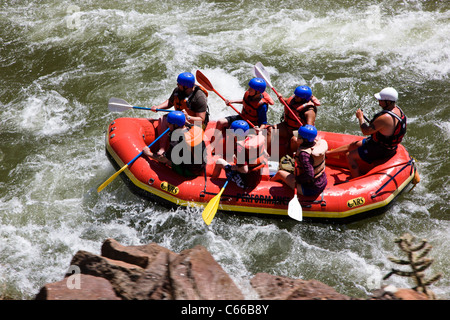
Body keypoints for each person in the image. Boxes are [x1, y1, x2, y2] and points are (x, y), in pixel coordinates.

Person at [326, 87, 407, 178]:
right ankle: (327, 154)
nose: (379, 102)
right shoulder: (398, 110)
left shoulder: (385, 118)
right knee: (354, 144)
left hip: (381, 149)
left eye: (381, 100)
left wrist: (360, 117)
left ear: (388, 102)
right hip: (383, 144)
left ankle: (355, 179)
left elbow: (365, 131)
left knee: (350, 156)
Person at [150, 72, 209, 156]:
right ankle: (162, 148)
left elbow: (201, 120)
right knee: (163, 119)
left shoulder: (199, 97)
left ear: (186, 86)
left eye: (179, 84)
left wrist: (187, 117)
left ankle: (176, 155)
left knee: (180, 133)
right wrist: (158, 107)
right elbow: (169, 103)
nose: (177, 84)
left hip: (193, 122)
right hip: (180, 118)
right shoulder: (178, 90)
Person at [143, 111, 206, 177]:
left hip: (190, 171)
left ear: (175, 125)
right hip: (201, 166)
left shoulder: (176, 142)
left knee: (167, 161)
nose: (168, 125)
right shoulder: (193, 128)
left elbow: (163, 158)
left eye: (169, 124)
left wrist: (149, 153)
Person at [271, 125, 328, 197]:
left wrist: (297, 180)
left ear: (305, 140)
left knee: (280, 173)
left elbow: (309, 175)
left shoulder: (304, 155)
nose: (296, 137)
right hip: (322, 181)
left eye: (298, 136)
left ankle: (268, 183)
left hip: (310, 188)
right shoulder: (316, 144)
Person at [212, 120, 268, 190]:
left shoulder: (240, 147)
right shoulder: (253, 138)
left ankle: (212, 181)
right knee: (234, 157)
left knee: (219, 162)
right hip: (257, 178)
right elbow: (266, 155)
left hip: (245, 182)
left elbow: (244, 170)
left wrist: (236, 168)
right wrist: (258, 132)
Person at [271, 85, 321, 156]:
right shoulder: (295, 100)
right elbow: (285, 101)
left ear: (304, 99)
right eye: (295, 95)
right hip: (287, 126)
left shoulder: (309, 111)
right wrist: (280, 97)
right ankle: (272, 156)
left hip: (298, 130)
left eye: (297, 96)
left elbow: (309, 129)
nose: (295, 97)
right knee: (271, 130)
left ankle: (294, 158)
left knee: (294, 140)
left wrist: (302, 137)